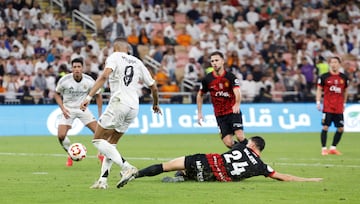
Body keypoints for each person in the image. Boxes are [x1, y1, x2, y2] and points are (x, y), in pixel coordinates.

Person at [80, 37, 161, 189]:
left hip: (119, 103)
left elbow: (104, 76)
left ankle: (127, 167)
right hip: (133, 107)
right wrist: (155, 104)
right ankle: (103, 181)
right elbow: (154, 87)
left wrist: (89, 97)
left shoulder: (114, 57)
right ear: (127, 48)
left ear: (114, 47)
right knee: (111, 144)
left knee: (97, 140)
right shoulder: (138, 62)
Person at [118, 136, 322, 186]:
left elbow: (227, 138)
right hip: (214, 177)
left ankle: (135, 174)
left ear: (252, 145)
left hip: (206, 161)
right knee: (203, 176)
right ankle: (183, 178)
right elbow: (282, 177)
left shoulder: (241, 145)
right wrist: (308, 180)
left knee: (166, 166)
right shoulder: (261, 166)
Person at [54, 58, 103, 167]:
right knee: (61, 136)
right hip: (68, 109)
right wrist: (62, 108)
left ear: (82, 68)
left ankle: (101, 154)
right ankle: (70, 153)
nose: (76, 69)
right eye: (74, 67)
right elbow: (56, 94)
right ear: (71, 68)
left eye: (79, 67)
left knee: (99, 133)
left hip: (82, 109)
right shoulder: (64, 80)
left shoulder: (89, 80)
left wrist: (100, 114)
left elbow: (98, 95)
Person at [197, 51, 246, 149]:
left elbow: (237, 91)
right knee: (228, 142)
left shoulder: (230, 77)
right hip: (220, 115)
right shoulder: (207, 79)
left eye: (216, 60)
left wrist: (237, 103)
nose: (214, 63)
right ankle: (245, 151)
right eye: (212, 61)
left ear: (222, 61)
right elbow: (200, 95)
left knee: (239, 135)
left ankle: (251, 156)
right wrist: (199, 113)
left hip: (232, 111)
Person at [316, 56, 349, 156]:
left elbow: (346, 91)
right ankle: (324, 149)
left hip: (338, 107)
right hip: (328, 106)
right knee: (325, 127)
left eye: (336, 62)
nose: (334, 64)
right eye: (332, 62)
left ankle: (333, 148)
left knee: (340, 129)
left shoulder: (344, 77)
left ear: (339, 64)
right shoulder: (324, 77)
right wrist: (318, 102)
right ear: (329, 64)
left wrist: (344, 103)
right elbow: (319, 89)